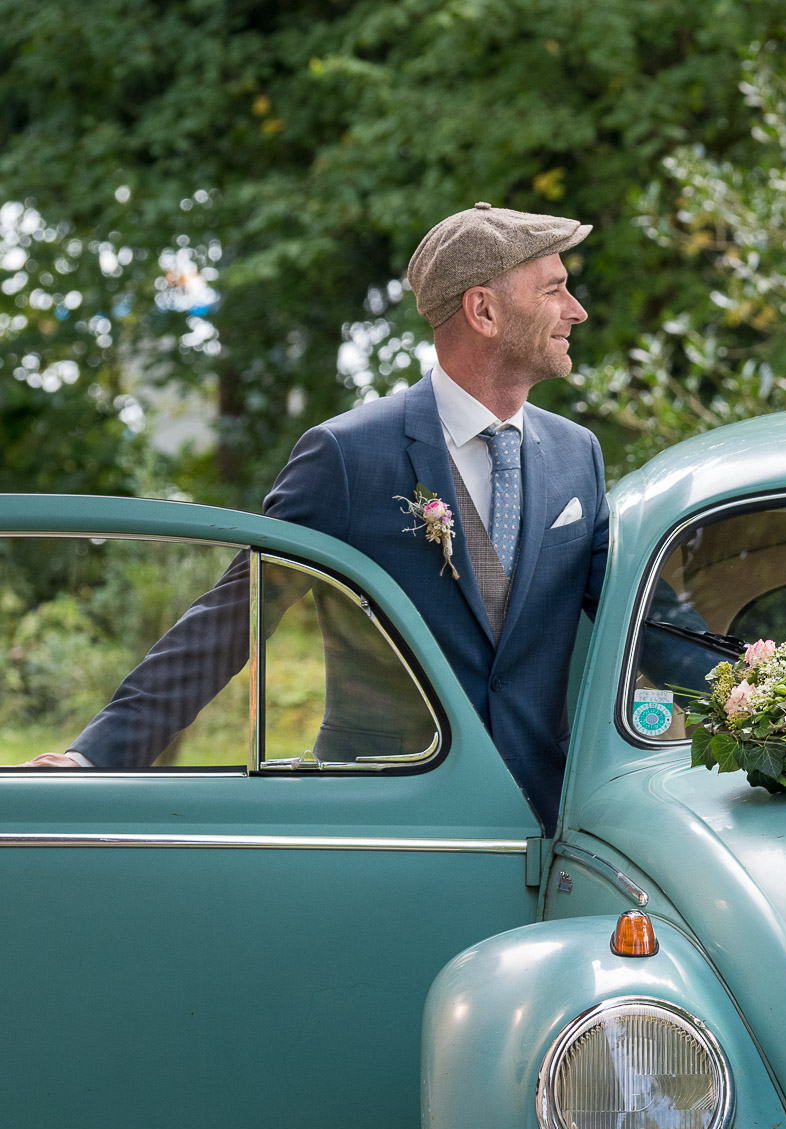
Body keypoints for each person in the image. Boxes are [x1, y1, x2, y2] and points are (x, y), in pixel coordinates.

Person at [27, 203, 717, 825]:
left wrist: (774, 696)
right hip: (387, 822)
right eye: (554, 289)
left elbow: (650, 620)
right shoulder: (348, 456)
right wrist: (92, 759)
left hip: (542, 822)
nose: (576, 310)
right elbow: (231, 621)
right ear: (484, 311)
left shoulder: (577, 455)